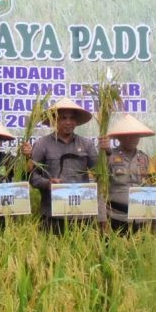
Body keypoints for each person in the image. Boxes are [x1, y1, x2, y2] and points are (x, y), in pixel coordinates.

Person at [28, 98, 103, 234]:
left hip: (82, 212)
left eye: (72, 118)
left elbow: (100, 173)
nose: (68, 122)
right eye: (63, 118)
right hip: (52, 213)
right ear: (55, 120)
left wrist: (106, 152)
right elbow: (32, 176)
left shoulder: (87, 144)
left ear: (76, 121)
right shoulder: (42, 144)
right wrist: (47, 183)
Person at [98, 114, 155, 234]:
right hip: (115, 216)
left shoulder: (145, 159)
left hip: (141, 218)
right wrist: (102, 218)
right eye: (127, 136)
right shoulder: (108, 157)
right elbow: (100, 189)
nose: (132, 139)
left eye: (135, 136)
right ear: (119, 138)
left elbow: (152, 186)